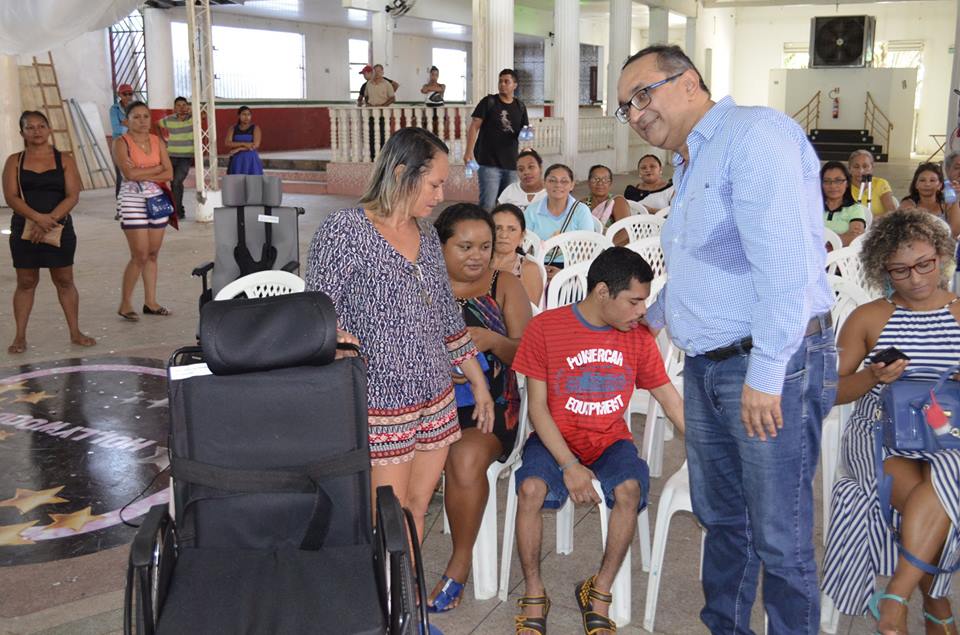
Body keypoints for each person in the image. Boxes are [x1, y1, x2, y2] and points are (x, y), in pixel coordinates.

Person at [617, 44, 836, 633]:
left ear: (690, 81)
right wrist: (653, 315)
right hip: (708, 366)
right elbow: (705, 262)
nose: (635, 113)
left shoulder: (753, 135)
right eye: (625, 106)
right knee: (722, 522)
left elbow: (786, 268)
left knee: (778, 536)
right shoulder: (692, 161)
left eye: (642, 94)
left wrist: (765, 375)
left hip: (767, 363)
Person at [305, 127, 494, 547]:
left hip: (436, 397)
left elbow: (447, 317)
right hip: (380, 404)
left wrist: (478, 382)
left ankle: (406, 589)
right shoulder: (344, 231)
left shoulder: (426, 235)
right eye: (434, 184)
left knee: (418, 507)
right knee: (386, 516)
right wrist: (338, 343)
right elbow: (317, 314)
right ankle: (387, 590)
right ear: (401, 173)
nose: (440, 195)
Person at [511, 247, 684, 635]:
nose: (642, 311)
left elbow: (671, 400)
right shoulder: (546, 328)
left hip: (609, 441)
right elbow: (537, 407)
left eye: (645, 301)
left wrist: (713, 453)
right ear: (603, 291)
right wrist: (569, 465)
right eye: (634, 301)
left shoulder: (637, 338)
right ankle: (535, 591)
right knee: (530, 489)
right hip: (554, 439)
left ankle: (599, 591)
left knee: (629, 489)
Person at [821, 209, 960, 634]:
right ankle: (935, 603)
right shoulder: (869, 317)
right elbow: (829, 391)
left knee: (950, 475)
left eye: (924, 264)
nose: (915, 279)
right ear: (883, 270)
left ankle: (897, 596)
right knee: (939, 496)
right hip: (881, 432)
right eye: (900, 270)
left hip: (950, 434)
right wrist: (872, 377)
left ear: (942, 256)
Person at [427, 203, 532, 613]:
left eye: (485, 246)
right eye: (465, 246)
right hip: (426, 406)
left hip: (492, 409)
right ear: (440, 246)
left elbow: (528, 355)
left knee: (466, 456)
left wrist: (491, 341)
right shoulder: (422, 286)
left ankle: (459, 564)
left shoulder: (504, 284)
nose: (477, 256)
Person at [2, 111, 95, 353]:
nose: (37, 131)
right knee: (26, 282)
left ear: (49, 129)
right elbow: (11, 197)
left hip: (59, 227)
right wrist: (37, 219)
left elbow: (73, 195)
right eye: (30, 127)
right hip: (24, 228)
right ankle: (19, 336)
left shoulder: (64, 159)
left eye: (41, 126)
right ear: (22, 132)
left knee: (64, 281)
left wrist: (48, 221)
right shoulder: (14, 161)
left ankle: (75, 332)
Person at [113, 101, 174, 321]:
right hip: (132, 200)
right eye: (136, 117)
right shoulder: (121, 143)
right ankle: (125, 303)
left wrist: (144, 172)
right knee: (139, 254)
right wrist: (157, 169)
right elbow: (129, 175)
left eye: (146, 116)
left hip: (156, 199)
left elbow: (169, 173)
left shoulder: (158, 141)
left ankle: (151, 302)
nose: (142, 121)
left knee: (153, 253)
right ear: (126, 121)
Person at [464, 69, 529, 210]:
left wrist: (527, 136)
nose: (502, 84)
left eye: (506, 81)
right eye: (500, 81)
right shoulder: (489, 102)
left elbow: (523, 133)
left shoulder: (520, 107)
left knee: (507, 206)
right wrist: (468, 152)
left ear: (515, 85)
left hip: (511, 164)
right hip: (489, 163)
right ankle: (484, 225)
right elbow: (474, 127)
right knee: (488, 205)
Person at [523, 164, 594, 278]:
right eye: (552, 180)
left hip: (572, 266)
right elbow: (524, 245)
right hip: (537, 265)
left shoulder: (581, 210)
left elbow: (587, 249)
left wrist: (564, 273)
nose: (558, 185)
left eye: (564, 181)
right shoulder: (532, 210)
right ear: (544, 183)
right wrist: (538, 268)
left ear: (572, 185)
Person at [491, 203, 545, 306]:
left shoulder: (528, 269)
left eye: (512, 229)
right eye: (497, 228)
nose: (504, 235)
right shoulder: (478, 263)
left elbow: (531, 311)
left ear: (522, 236)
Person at [898, 162, 960, 237]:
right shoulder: (908, 204)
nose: (927, 184)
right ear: (916, 185)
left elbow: (955, 232)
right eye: (922, 180)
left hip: (945, 243)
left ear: (940, 185)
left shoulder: (947, 204)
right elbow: (903, 233)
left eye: (932, 180)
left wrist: (955, 198)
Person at [157, 96, 194, 220]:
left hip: (186, 156)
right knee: (174, 183)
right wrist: (162, 139)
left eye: (184, 105)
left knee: (177, 181)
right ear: (174, 108)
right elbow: (157, 124)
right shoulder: (169, 119)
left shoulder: (193, 119)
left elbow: (204, 114)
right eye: (178, 105)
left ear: (188, 106)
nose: (181, 108)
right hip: (171, 155)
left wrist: (192, 111)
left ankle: (177, 211)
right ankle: (178, 210)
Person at [821, 161, 866, 247]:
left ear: (847, 183)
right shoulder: (813, 207)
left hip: (842, 254)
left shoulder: (855, 208)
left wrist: (826, 244)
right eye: (827, 181)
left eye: (838, 181)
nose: (833, 186)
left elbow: (856, 237)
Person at [583, 164, 631, 240]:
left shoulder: (617, 201)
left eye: (605, 180)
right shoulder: (583, 203)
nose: (600, 183)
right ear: (588, 182)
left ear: (610, 183)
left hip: (613, 244)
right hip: (588, 243)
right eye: (595, 179)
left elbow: (625, 232)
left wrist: (605, 245)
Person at [849, 149, 897, 216]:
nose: (861, 171)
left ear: (872, 168)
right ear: (849, 169)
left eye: (865, 166)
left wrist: (871, 219)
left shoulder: (881, 184)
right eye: (856, 167)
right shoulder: (844, 186)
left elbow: (892, 212)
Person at [109, 83, 135, 200]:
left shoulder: (136, 108)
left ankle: (133, 201)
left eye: (130, 94)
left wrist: (125, 124)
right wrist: (130, 126)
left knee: (135, 172)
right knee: (120, 175)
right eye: (125, 94)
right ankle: (120, 204)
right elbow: (116, 129)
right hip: (119, 144)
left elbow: (140, 126)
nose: (128, 96)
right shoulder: (114, 109)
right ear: (119, 94)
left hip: (134, 144)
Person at [224, 106, 263, 176]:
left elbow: (255, 145)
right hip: (237, 160)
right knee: (237, 181)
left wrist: (239, 149)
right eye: (244, 114)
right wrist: (245, 144)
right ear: (239, 116)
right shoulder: (233, 129)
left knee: (253, 181)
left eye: (248, 114)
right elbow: (227, 143)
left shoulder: (255, 128)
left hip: (251, 160)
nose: (246, 117)